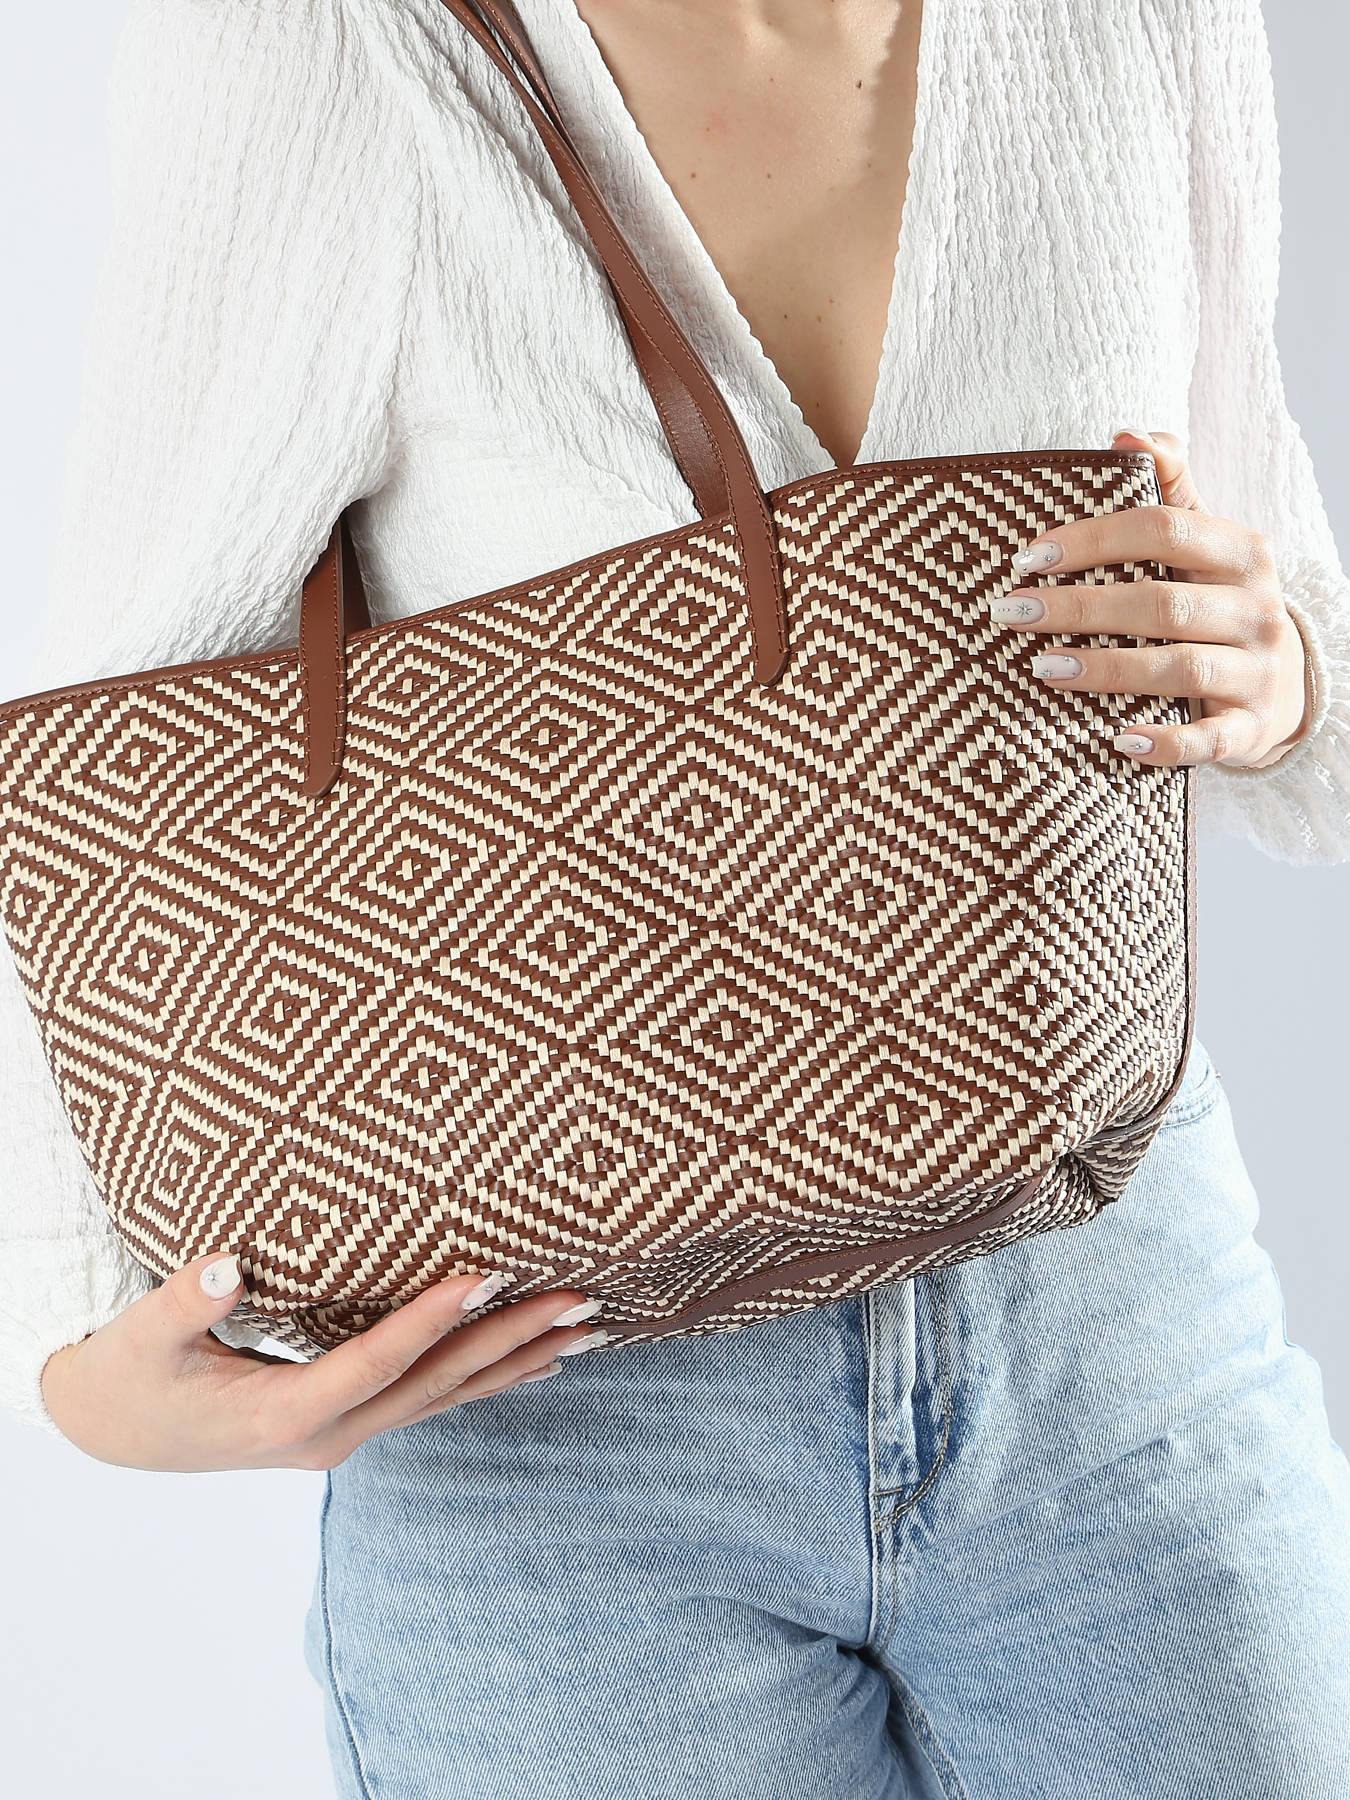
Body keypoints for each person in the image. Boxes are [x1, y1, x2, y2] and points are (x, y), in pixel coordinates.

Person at [4, 0, 1349, 1793]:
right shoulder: (325, 39)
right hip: (560, 1410)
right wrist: (68, 1345)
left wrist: (1286, 675)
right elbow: (112, 742)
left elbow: (1273, 586)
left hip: (1117, 1316)